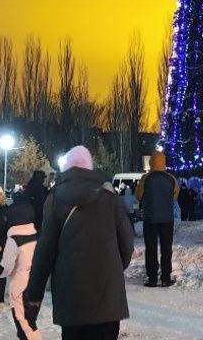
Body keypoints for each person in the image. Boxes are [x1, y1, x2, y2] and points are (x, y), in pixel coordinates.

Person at [23, 145, 133, 340]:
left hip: (71, 296)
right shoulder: (110, 197)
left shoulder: (55, 198)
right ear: (90, 168)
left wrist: (33, 297)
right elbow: (127, 244)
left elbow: (45, 252)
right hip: (107, 297)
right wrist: (111, 268)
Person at [136, 150, 179, 288]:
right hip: (167, 219)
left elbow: (138, 196)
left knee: (151, 248)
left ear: (151, 162)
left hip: (150, 218)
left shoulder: (146, 178)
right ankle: (166, 278)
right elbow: (174, 197)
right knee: (166, 249)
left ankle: (152, 278)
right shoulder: (171, 178)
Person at [2, 202, 42, 340]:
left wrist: (4, 272)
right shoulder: (36, 236)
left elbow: (7, 265)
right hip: (35, 285)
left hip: (20, 287)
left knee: (22, 323)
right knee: (31, 322)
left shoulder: (14, 239)